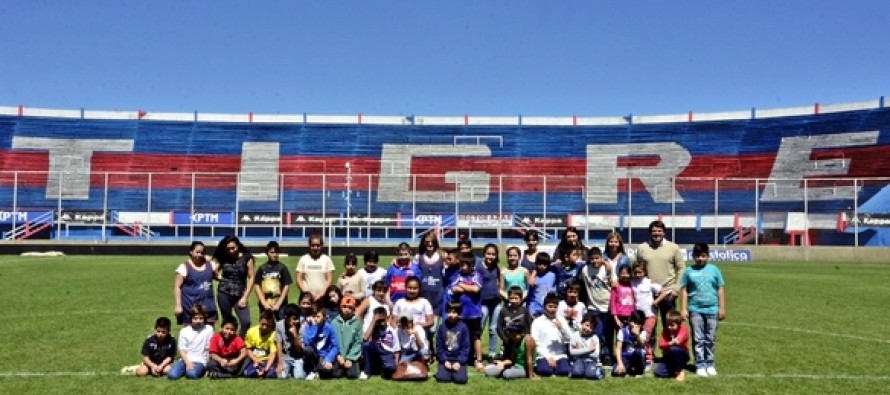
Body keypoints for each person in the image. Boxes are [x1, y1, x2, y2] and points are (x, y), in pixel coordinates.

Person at [680, 242, 726, 377]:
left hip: (712, 309)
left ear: (708, 256)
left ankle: (710, 363)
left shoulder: (715, 270)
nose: (700, 259)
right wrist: (683, 308)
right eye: (698, 256)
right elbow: (684, 290)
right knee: (698, 338)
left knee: (710, 338)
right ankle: (700, 364)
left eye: (703, 256)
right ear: (693, 256)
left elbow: (720, 288)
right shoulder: (689, 271)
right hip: (695, 309)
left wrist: (722, 307)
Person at [636, 220, 686, 328]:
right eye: (654, 231)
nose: (657, 233)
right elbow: (637, 269)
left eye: (659, 231)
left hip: (668, 293)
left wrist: (676, 288)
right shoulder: (642, 248)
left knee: (669, 326)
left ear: (664, 233)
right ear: (650, 233)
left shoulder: (673, 248)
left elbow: (682, 268)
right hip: (647, 293)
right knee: (648, 327)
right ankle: (649, 345)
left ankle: (670, 345)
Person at [578, 247, 616, 365]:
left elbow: (614, 283)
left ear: (601, 257)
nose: (595, 261)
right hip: (593, 308)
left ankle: (608, 355)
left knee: (608, 333)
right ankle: (596, 355)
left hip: (608, 307)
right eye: (592, 259)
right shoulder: (585, 270)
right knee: (597, 333)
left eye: (597, 258)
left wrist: (608, 269)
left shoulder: (607, 268)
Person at [213, 234, 255, 338]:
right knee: (227, 323)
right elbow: (214, 271)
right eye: (228, 249)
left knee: (246, 322)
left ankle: (238, 343)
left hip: (240, 295)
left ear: (238, 245)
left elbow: (251, 277)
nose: (231, 251)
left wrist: (245, 297)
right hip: (224, 293)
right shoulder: (223, 257)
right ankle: (227, 345)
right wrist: (220, 278)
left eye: (233, 248)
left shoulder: (247, 257)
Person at [449, 253, 484, 371]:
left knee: (476, 336)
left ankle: (478, 360)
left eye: (465, 265)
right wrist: (467, 288)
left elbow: (476, 289)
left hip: (474, 312)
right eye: (461, 265)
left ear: (471, 265)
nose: (463, 267)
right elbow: (454, 288)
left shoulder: (477, 275)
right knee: (459, 336)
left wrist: (462, 285)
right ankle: (459, 358)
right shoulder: (457, 274)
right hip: (460, 313)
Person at [630, 261, 666, 369]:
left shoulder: (650, 283)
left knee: (645, 337)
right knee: (636, 337)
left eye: (640, 272)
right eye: (635, 272)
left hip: (650, 314)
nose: (638, 275)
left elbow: (663, 292)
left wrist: (656, 301)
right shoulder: (632, 282)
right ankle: (638, 357)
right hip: (637, 316)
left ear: (645, 272)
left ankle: (649, 359)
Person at [173, 241, 218, 326]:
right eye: (197, 252)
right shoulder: (183, 267)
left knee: (208, 333)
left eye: (202, 253)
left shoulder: (211, 265)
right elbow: (177, 287)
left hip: (208, 306)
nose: (199, 255)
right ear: (191, 252)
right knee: (189, 333)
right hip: (190, 307)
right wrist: (178, 305)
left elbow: (218, 276)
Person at [530, 293, 572, 377]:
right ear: (544, 306)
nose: (552, 309)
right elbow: (536, 342)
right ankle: (549, 368)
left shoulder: (561, 320)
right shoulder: (537, 322)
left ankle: (557, 368)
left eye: (555, 307)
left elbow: (570, 338)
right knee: (544, 370)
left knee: (565, 371)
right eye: (550, 306)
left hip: (560, 355)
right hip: (543, 355)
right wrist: (548, 357)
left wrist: (562, 328)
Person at [167, 304, 214, 380]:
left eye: (201, 318)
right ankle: (179, 367)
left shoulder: (208, 329)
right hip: (186, 359)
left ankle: (194, 370)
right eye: (195, 318)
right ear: (190, 318)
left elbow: (209, 348)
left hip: (200, 360)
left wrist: (207, 366)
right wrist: (188, 363)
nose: (198, 321)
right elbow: (182, 350)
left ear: (204, 318)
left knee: (192, 374)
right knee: (172, 375)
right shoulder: (184, 331)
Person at [254, 240, 293, 320]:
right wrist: (264, 303)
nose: (274, 255)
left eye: (276, 252)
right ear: (267, 253)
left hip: (280, 304)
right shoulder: (262, 268)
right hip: (265, 303)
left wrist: (278, 304)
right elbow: (257, 285)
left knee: (281, 325)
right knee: (266, 324)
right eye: (272, 252)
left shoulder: (282, 268)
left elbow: (286, 286)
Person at [477, 243, 502, 361]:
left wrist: (500, 293)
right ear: (484, 254)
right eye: (488, 254)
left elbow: (500, 283)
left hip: (496, 303)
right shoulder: (478, 267)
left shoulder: (497, 268)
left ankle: (492, 354)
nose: (490, 256)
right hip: (483, 303)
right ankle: (476, 353)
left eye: (493, 254)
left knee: (493, 329)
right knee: (480, 328)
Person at [435, 302, 470, 384]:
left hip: (458, 359)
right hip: (446, 359)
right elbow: (439, 346)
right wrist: (444, 360)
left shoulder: (463, 327)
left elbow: (466, 347)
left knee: (460, 380)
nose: (451, 315)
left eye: (454, 312)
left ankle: (459, 371)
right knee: (442, 378)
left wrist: (459, 362)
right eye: (449, 312)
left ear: (459, 313)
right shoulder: (442, 327)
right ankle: (445, 371)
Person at [302, 305, 340, 380]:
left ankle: (319, 370)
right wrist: (313, 327)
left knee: (325, 372)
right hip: (314, 354)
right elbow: (308, 342)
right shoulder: (309, 326)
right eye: (313, 316)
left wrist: (329, 359)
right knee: (307, 349)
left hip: (324, 354)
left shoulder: (329, 328)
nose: (316, 319)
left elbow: (335, 346)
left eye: (318, 316)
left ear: (324, 317)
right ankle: (312, 370)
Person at [362, 306, 399, 380]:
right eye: (379, 321)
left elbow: (397, 350)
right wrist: (373, 321)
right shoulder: (373, 327)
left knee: (389, 369)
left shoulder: (392, 331)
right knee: (366, 345)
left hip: (387, 353)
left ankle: (381, 369)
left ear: (387, 318)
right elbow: (365, 338)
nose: (381, 323)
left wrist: (396, 364)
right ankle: (367, 372)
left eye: (383, 320)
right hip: (376, 351)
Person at [296, 233, 335, 301]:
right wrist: (306, 293)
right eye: (313, 245)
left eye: (318, 245)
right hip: (307, 299)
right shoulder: (303, 259)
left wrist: (322, 293)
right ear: (309, 245)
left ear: (322, 245)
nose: (315, 248)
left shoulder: (327, 259)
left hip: (323, 297)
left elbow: (329, 279)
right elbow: (298, 279)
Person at [332, 295, 363, 379]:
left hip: (351, 356)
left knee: (352, 375)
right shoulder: (334, 323)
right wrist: (338, 356)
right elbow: (332, 342)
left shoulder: (357, 324)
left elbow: (358, 342)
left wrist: (350, 358)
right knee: (336, 374)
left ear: (354, 310)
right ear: (340, 308)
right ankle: (341, 367)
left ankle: (353, 365)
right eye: (344, 307)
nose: (346, 309)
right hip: (338, 355)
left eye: (350, 307)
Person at [654, 310, 690, 381]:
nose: (669, 327)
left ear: (679, 324)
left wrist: (668, 344)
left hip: (682, 354)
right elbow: (661, 345)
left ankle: (679, 371)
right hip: (668, 355)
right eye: (668, 324)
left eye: (672, 325)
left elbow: (678, 342)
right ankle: (674, 368)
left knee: (674, 349)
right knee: (659, 373)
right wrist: (670, 343)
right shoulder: (665, 330)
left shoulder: (683, 329)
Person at [568, 313, 605, 380]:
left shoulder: (594, 338)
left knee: (591, 375)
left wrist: (580, 350)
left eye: (591, 327)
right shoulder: (574, 336)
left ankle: (599, 371)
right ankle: (576, 370)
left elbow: (595, 355)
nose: (588, 329)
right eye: (587, 325)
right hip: (579, 360)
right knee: (577, 373)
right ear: (582, 323)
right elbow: (572, 352)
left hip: (592, 361)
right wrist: (589, 350)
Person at [244, 310, 279, 379]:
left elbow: (273, 353)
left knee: (270, 374)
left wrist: (266, 369)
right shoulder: (251, 331)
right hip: (254, 360)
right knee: (250, 373)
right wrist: (255, 359)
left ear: (272, 324)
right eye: (262, 324)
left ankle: (265, 371)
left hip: (267, 361)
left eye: (268, 325)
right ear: (259, 321)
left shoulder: (274, 334)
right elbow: (248, 349)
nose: (264, 327)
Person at [276, 304, 307, 380]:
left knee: (299, 377)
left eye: (297, 318)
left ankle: (302, 371)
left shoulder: (302, 327)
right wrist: (280, 363)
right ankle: (290, 371)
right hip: (285, 357)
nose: (296, 321)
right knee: (281, 376)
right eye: (294, 319)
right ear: (286, 318)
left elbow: (299, 350)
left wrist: (295, 335)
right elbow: (279, 344)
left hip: (297, 357)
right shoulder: (279, 325)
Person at [612, 310, 647, 378]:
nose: (635, 325)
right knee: (616, 372)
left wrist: (637, 335)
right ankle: (628, 369)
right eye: (634, 322)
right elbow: (618, 349)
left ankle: (639, 370)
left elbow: (641, 345)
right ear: (630, 320)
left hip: (637, 356)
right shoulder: (622, 331)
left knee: (639, 352)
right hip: (626, 356)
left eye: (638, 323)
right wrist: (620, 363)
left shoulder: (643, 332)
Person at [527, 253, 556, 317]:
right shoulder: (533, 278)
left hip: (548, 309)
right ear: (536, 263)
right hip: (535, 309)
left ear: (548, 265)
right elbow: (530, 295)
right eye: (539, 264)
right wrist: (530, 310)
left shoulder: (552, 275)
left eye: (544, 264)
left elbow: (554, 289)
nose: (542, 266)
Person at [610, 264, 635, 331]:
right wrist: (616, 318)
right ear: (619, 274)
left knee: (630, 336)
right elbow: (613, 303)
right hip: (619, 316)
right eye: (623, 273)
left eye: (627, 273)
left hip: (631, 315)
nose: (625, 275)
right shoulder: (616, 286)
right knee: (620, 336)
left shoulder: (632, 284)